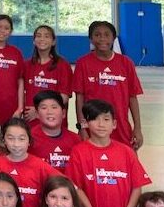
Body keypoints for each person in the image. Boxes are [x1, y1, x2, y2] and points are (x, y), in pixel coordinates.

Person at [65, 99, 152, 207]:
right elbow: (76, 189)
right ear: (87, 123)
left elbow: (137, 187)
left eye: (106, 119)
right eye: (95, 119)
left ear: (114, 124)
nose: (101, 124)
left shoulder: (126, 152)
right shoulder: (78, 152)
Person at [72, 21, 143, 150]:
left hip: (120, 125)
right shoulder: (83, 63)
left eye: (106, 34)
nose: (102, 38)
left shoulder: (126, 63)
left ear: (113, 38)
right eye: (97, 35)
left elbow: (132, 97)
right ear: (91, 39)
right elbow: (79, 98)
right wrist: (82, 127)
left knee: (126, 162)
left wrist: (137, 128)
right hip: (93, 125)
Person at [0, 118, 61, 207]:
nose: (16, 144)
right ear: (3, 141)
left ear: (29, 141)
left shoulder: (40, 166)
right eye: (11, 138)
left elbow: (68, 186)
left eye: (21, 139)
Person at [23, 25, 73, 128]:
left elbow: (63, 97)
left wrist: (38, 112)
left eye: (47, 36)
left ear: (53, 41)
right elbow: (20, 93)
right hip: (30, 123)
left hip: (54, 124)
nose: (42, 39)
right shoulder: (26, 65)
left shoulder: (63, 65)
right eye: (39, 36)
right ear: (34, 41)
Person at [28, 90, 81, 173]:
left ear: (63, 113)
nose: (50, 112)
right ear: (37, 114)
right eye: (44, 108)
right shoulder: (28, 138)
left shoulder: (75, 140)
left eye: (54, 107)